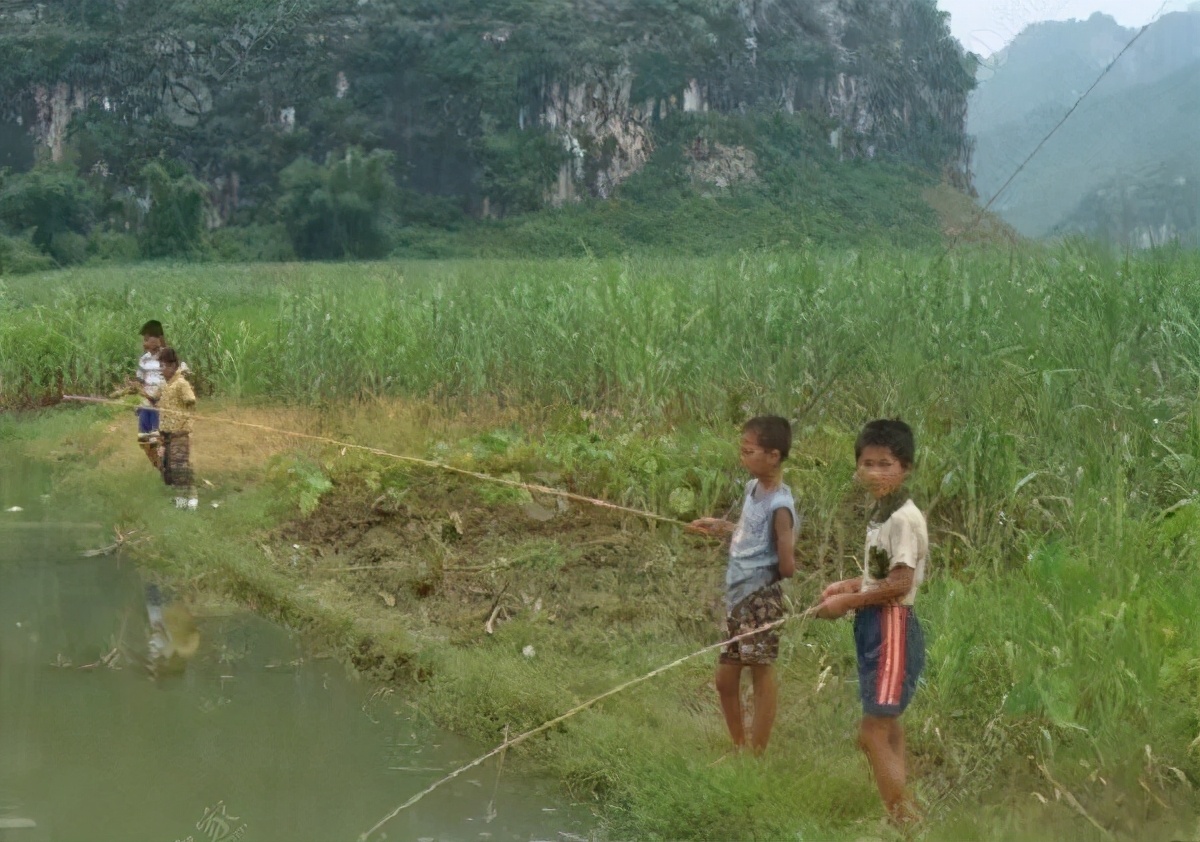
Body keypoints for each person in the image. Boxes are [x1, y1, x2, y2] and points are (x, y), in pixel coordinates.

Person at [810, 418, 927, 825]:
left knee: (871, 732)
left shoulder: (903, 520)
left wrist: (848, 603)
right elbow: (880, 576)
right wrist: (844, 587)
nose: (875, 472)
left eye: (886, 464)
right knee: (887, 725)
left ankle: (907, 822)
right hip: (875, 624)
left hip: (891, 627)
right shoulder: (882, 515)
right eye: (867, 463)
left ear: (906, 467)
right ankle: (905, 814)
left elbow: (901, 582)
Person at [688, 416, 798, 755]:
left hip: (760, 599)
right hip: (737, 598)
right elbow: (747, 531)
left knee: (760, 673)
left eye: (749, 451)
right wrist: (720, 527)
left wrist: (757, 565)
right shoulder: (753, 490)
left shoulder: (781, 506)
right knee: (725, 679)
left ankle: (757, 753)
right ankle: (738, 746)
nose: (743, 458)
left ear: (773, 456)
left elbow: (788, 565)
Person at [111, 320, 166, 469]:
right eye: (144, 340)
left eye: (148, 339)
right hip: (146, 401)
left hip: (163, 404)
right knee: (144, 441)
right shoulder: (144, 359)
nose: (145, 343)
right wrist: (125, 390)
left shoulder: (168, 356)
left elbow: (175, 378)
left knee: (158, 439)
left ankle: (167, 464)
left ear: (159, 339)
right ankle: (160, 466)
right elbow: (139, 381)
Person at [156, 347, 198, 510]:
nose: (161, 370)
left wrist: (184, 423)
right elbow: (155, 399)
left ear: (173, 366)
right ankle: (180, 500)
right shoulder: (166, 386)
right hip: (166, 434)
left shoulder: (181, 383)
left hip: (179, 433)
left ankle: (192, 500)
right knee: (169, 470)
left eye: (164, 366)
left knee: (181, 468)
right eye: (160, 366)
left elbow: (191, 401)